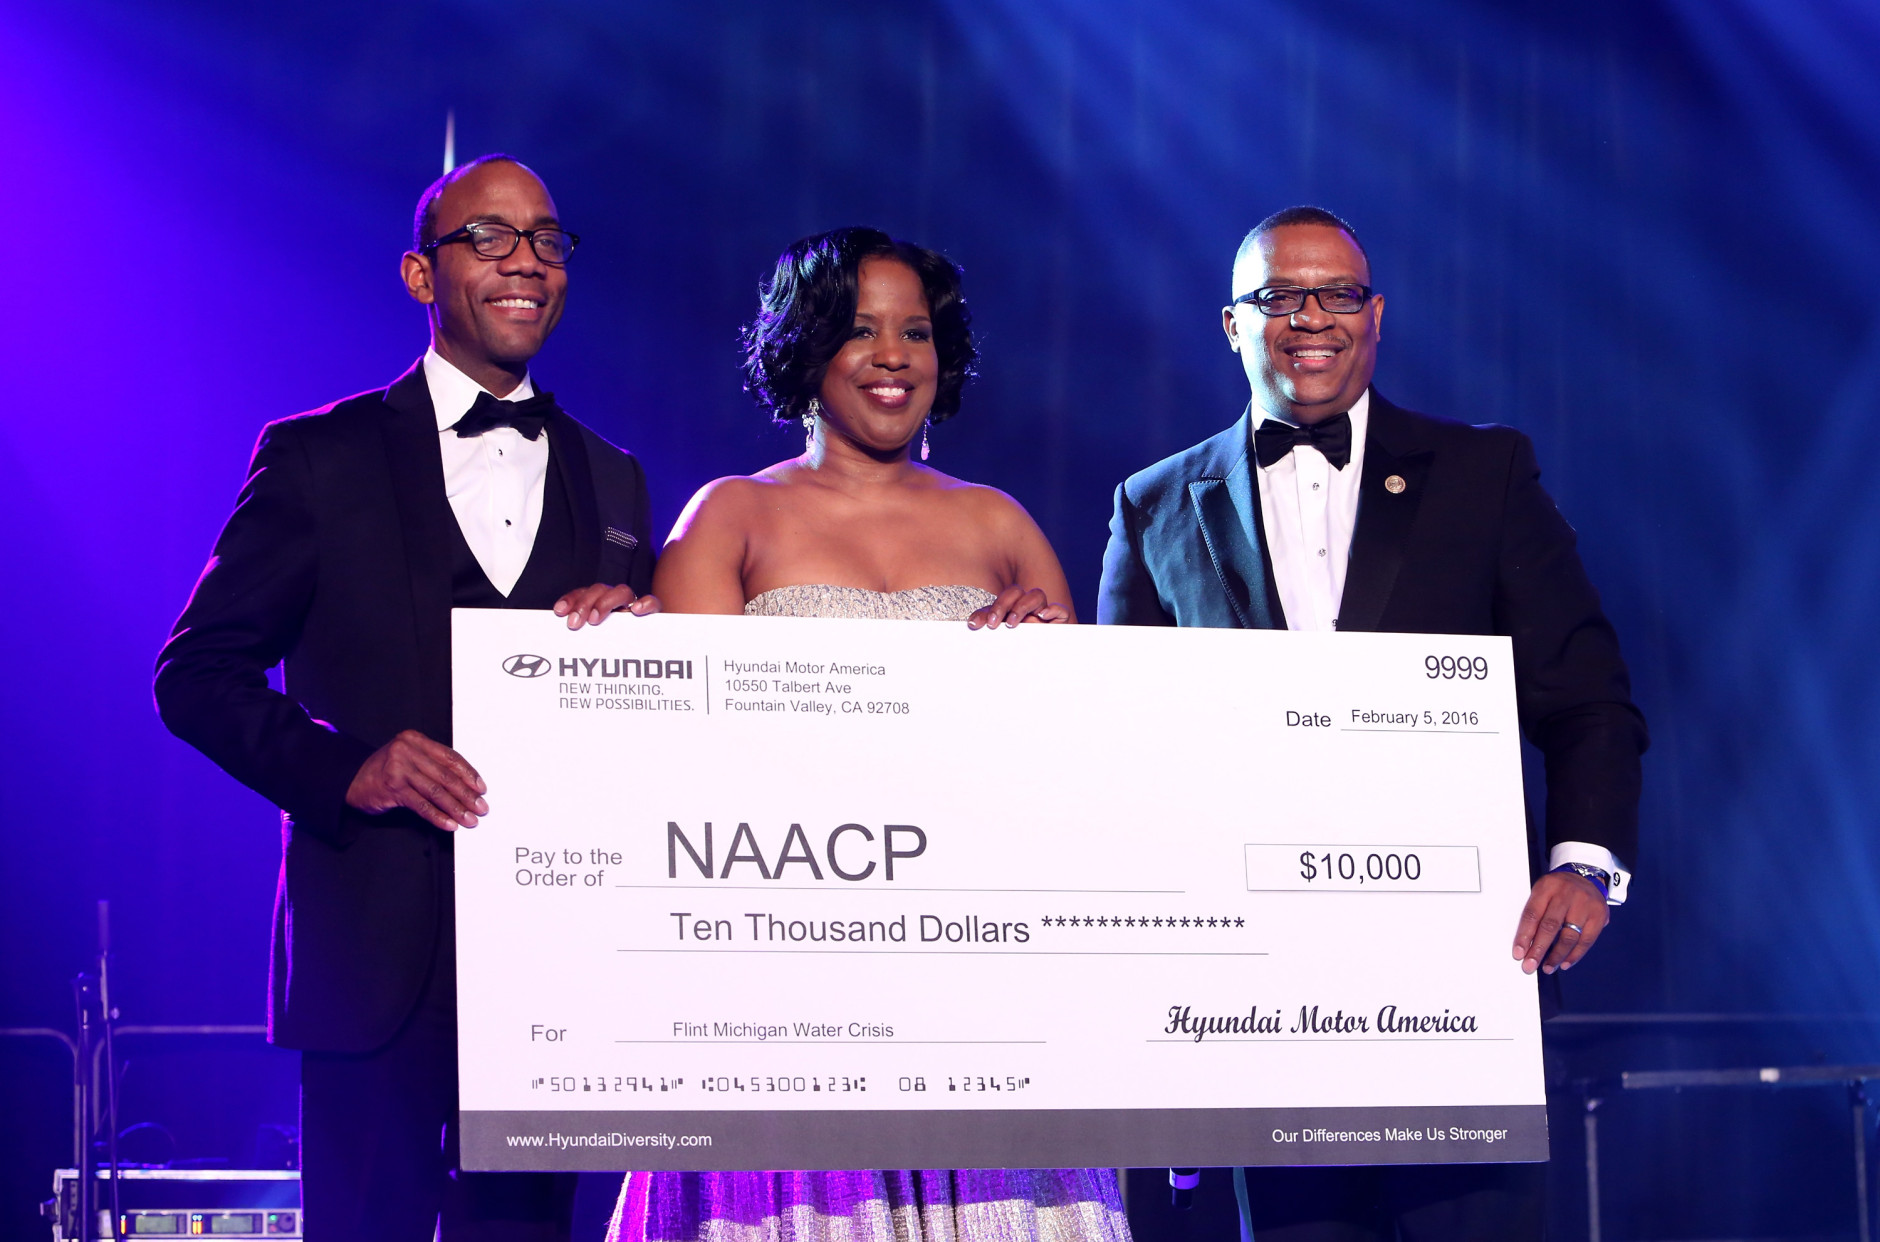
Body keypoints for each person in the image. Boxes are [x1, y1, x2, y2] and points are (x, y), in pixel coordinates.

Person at [1096, 207, 1647, 1241]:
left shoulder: (1484, 474)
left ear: (1375, 314)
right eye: (1275, 297)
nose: (1309, 318)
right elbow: (1125, 759)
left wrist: (1583, 862)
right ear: (1229, 323)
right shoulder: (1153, 504)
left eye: (1336, 294)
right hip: (1251, 1009)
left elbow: (1587, 697)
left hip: (1461, 978)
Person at [154, 154, 658, 1242]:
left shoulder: (614, 478)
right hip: (370, 955)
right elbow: (195, 674)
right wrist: (349, 767)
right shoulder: (315, 458)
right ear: (420, 276)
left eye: (547, 239)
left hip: (553, 966)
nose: (526, 260)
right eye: (489, 237)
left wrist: (641, 645)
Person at [605, 226, 1126, 1242]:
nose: (894, 355)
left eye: (917, 332)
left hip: (980, 982)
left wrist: (1056, 674)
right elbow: (682, 764)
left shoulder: (1000, 524)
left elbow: (1072, 784)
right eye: (859, 330)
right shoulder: (728, 518)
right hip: (785, 978)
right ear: (805, 348)